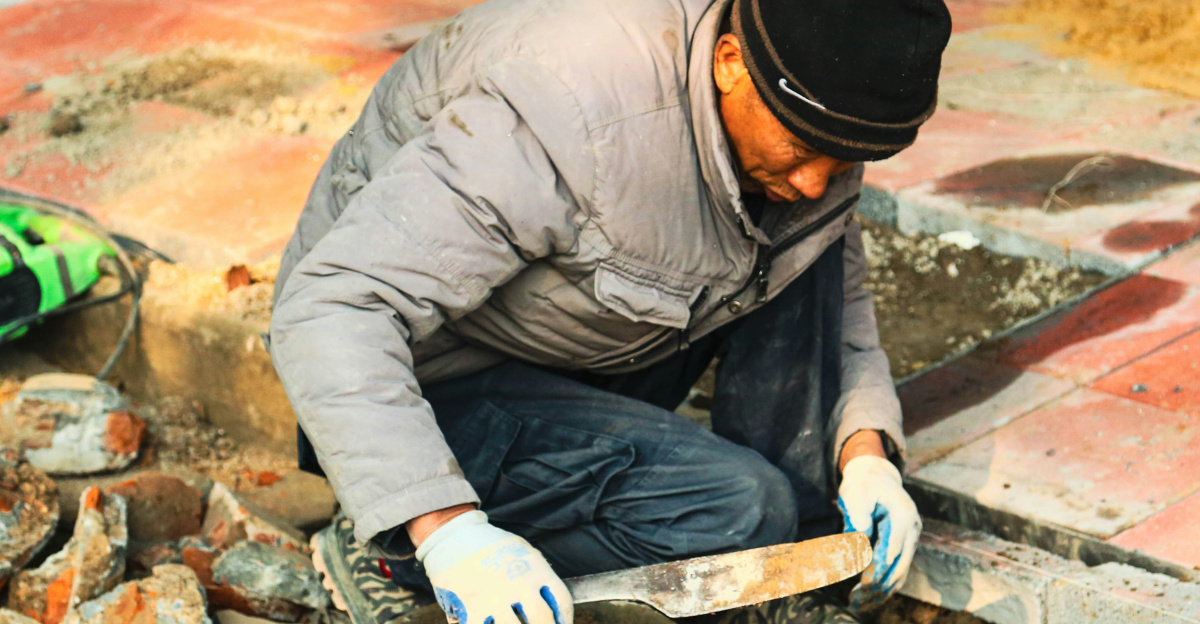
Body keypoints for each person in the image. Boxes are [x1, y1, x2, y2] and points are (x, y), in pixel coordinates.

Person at [269, 0, 951, 622]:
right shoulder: (570, 109)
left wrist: (865, 455)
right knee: (740, 508)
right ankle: (392, 558)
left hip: (576, 338)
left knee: (803, 243)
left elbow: (835, 294)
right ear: (730, 64)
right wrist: (446, 531)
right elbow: (331, 309)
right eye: (804, 151)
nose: (814, 180)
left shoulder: (805, 118)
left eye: (846, 161)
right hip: (426, 385)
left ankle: (788, 572)